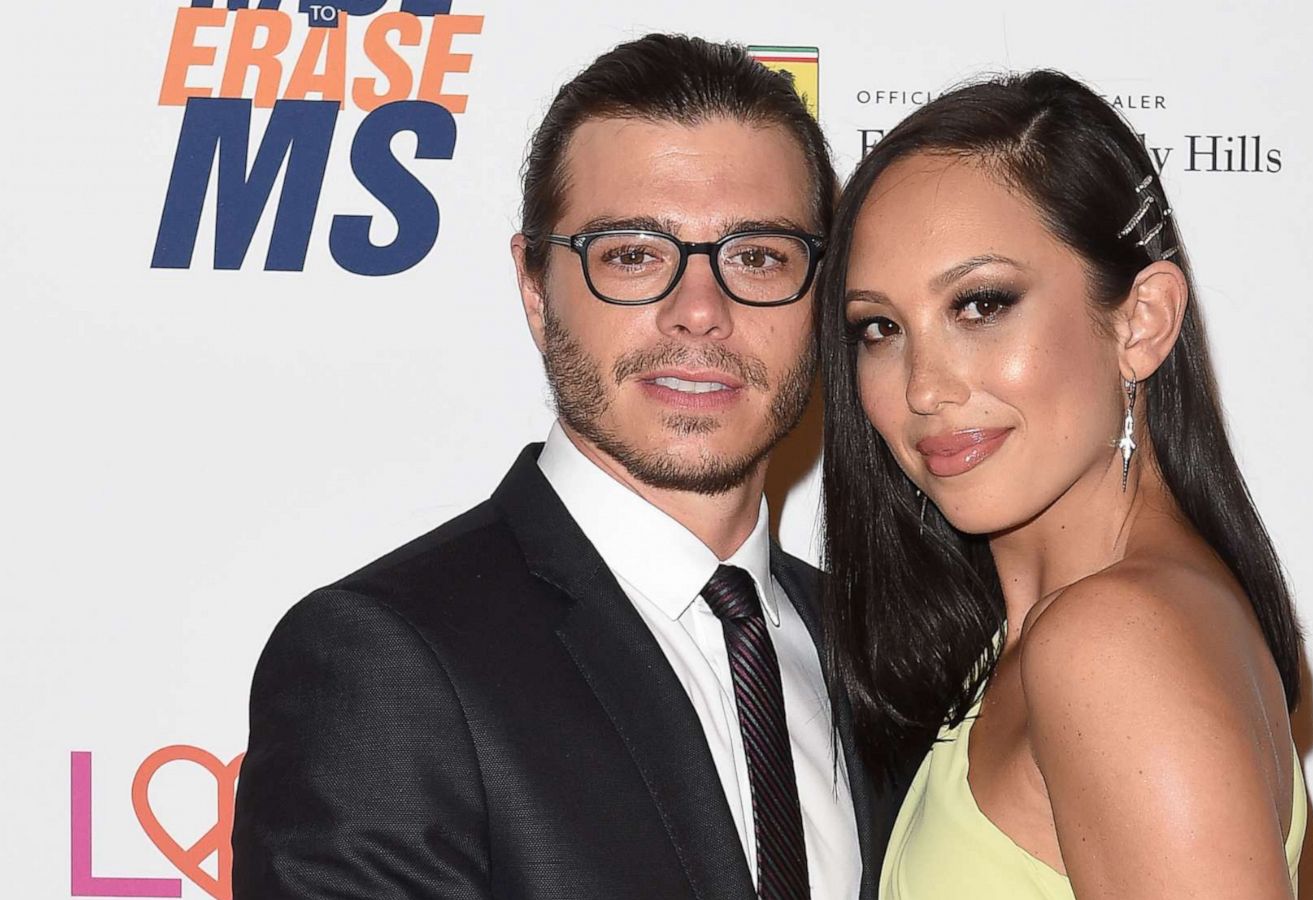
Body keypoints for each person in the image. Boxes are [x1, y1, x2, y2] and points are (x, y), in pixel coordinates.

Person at [233, 34, 890, 900]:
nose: (700, 310)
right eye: (632, 254)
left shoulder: (883, 654)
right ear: (536, 287)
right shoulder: (386, 664)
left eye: (758, 256)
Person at [815, 71, 1307, 899]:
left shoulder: (1112, 641)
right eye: (880, 327)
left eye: (981, 304)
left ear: (1141, 321)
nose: (924, 387)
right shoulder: (1045, 636)